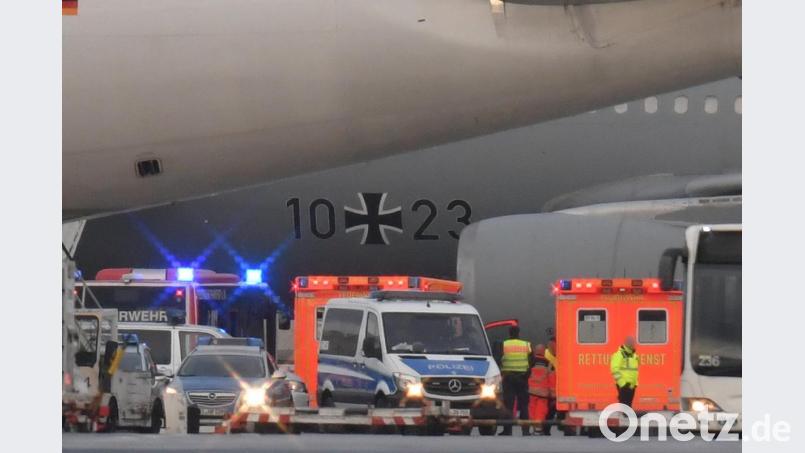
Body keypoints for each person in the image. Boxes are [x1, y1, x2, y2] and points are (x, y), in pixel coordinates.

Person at [500, 325, 532, 435]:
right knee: (523, 405)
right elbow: (532, 361)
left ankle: (507, 430)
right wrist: (527, 374)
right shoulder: (526, 345)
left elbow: (498, 359)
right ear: (519, 333)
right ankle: (526, 431)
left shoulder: (504, 344)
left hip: (508, 378)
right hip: (522, 378)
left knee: (508, 405)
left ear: (509, 333)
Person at [527, 344, 554, 435]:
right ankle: (538, 429)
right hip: (543, 393)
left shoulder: (530, 361)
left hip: (531, 391)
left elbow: (526, 374)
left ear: (535, 351)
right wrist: (552, 392)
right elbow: (551, 379)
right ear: (544, 352)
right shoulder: (548, 363)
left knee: (531, 410)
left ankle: (532, 427)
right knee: (541, 411)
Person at [610, 335, 639, 408]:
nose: (632, 343)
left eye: (633, 342)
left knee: (628, 407)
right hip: (623, 385)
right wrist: (622, 384)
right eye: (630, 342)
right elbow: (614, 369)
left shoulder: (634, 356)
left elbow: (635, 371)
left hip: (631, 386)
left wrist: (635, 383)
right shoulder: (619, 354)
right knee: (624, 407)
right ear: (626, 343)